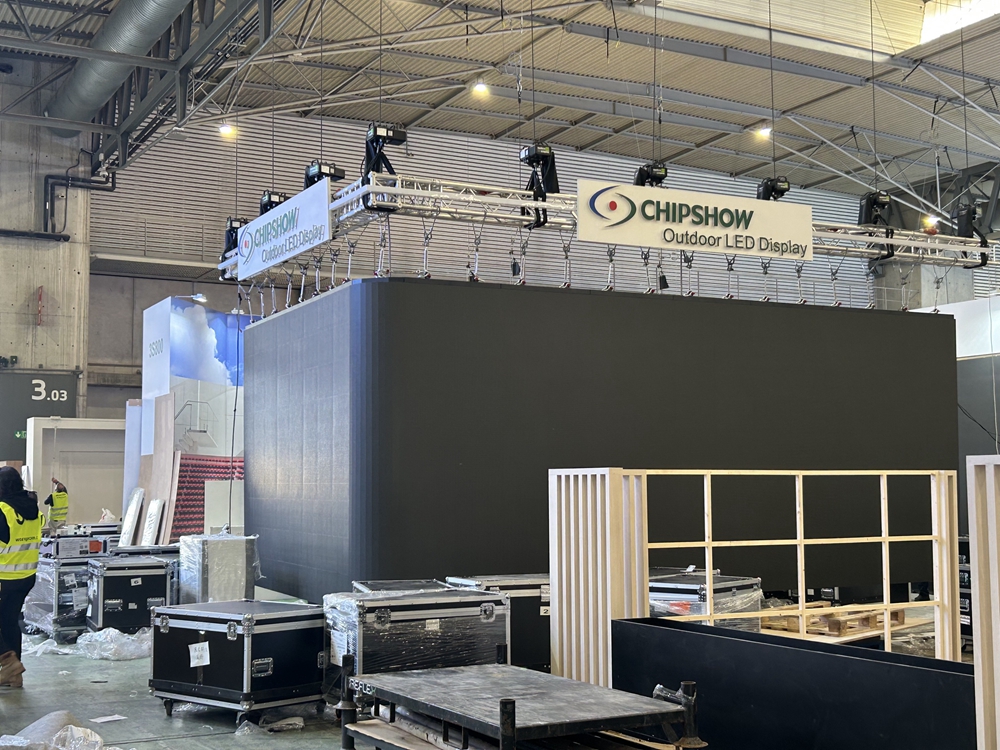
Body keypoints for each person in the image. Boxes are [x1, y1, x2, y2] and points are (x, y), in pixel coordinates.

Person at [0, 466, 43, 688]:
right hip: (26, 577)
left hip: (4, 578)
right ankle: (14, 675)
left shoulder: (3, 510)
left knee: (6, 620)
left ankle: (8, 662)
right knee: (9, 621)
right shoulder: (33, 509)